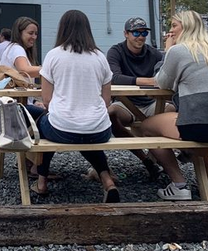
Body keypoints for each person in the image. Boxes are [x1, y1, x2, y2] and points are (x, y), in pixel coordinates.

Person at [141, 10, 208, 201]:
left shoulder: (178, 51)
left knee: (147, 128)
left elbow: (161, 83)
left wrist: (168, 50)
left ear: (186, 27)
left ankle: (179, 184)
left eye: (174, 26)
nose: (169, 31)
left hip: (200, 127)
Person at [32, 10, 119, 203]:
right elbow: (106, 101)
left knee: (43, 126)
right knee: (86, 132)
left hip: (62, 128)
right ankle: (107, 181)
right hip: (100, 129)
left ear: (62, 29)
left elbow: (46, 100)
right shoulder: (99, 57)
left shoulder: (54, 55)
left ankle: (41, 182)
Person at [106, 17, 168, 179]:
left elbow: (167, 71)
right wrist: (148, 81)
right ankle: (146, 159)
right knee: (109, 114)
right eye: (136, 32)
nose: (140, 36)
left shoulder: (153, 52)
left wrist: (170, 50)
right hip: (125, 104)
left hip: (151, 103)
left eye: (143, 33)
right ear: (126, 34)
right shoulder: (116, 51)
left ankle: (171, 158)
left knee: (174, 112)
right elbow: (113, 77)